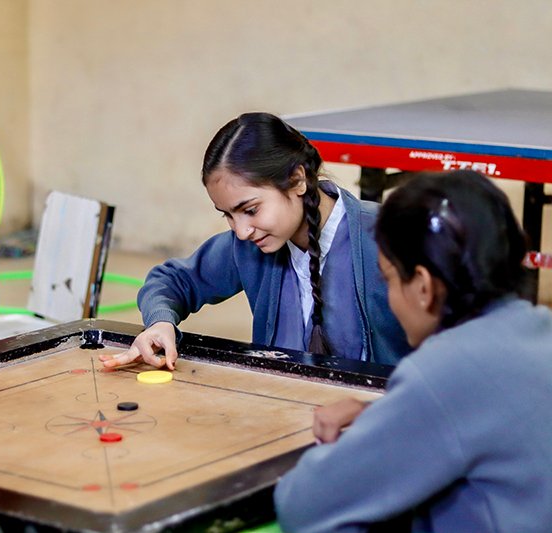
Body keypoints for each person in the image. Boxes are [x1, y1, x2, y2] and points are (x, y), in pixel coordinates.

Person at [274, 170, 552, 532]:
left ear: (423, 286)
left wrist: (374, 432)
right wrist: (392, 414)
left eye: (389, 279)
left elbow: (303, 503)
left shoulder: (444, 370)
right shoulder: (539, 329)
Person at [101, 112, 409, 370]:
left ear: (298, 180)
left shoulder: (391, 235)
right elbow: (171, 281)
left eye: (250, 210)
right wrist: (160, 323)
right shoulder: (247, 247)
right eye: (228, 215)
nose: (241, 230)